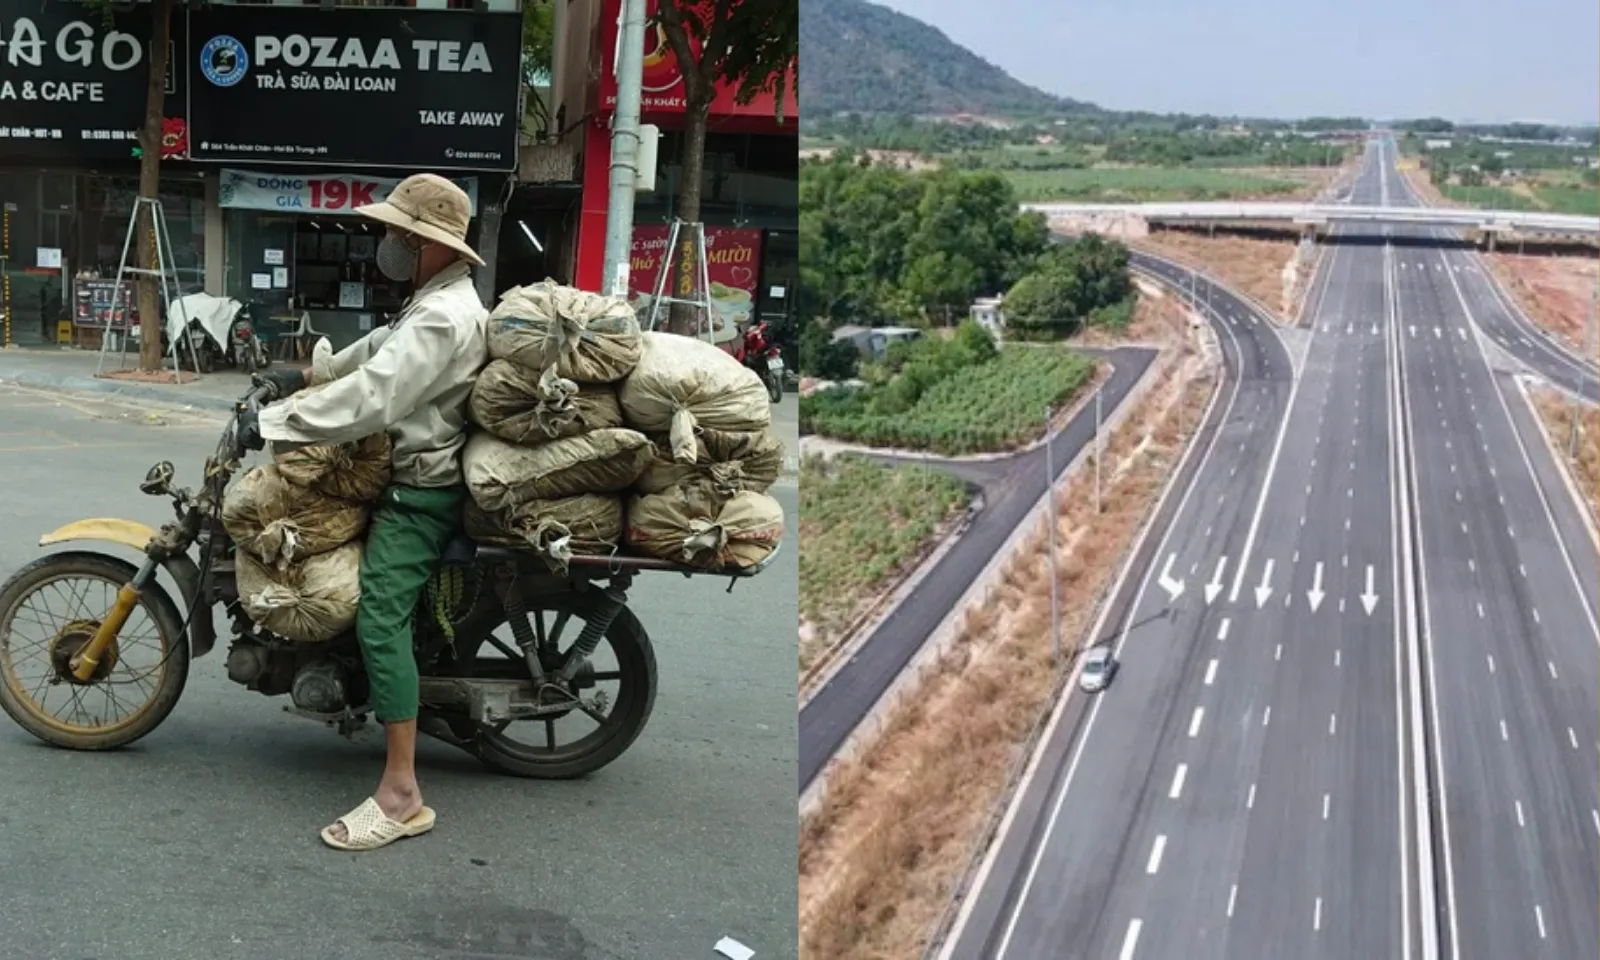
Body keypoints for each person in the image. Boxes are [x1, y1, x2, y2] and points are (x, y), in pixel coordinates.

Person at [238, 173, 489, 852]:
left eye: (393, 234)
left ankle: (402, 793)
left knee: (380, 616)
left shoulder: (444, 315)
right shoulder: (429, 302)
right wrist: (307, 377)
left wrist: (275, 422)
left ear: (419, 241)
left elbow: (376, 397)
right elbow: (377, 351)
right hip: (400, 475)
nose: (384, 243)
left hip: (420, 490)